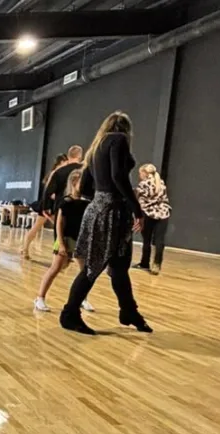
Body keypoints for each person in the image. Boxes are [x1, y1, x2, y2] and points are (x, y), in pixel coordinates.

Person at [59, 111, 152, 335]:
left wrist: (102, 199)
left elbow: (85, 187)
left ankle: (129, 311)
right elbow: (119, 176)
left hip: (99, 208)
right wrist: (136, 209)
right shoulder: (119, 140)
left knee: (119, 267)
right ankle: (69, 313)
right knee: (94, 266)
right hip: (112, 211)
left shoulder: (95, 147)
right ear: (126, 129)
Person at [34, 169, 94, 313]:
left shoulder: (86, 203)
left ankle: (82, 299)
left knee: (85, 272)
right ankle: (40, 298)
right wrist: (61, 243)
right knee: (55, 268)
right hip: (66, 239)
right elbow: (59, 223)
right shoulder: (65, 202)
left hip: (80, 240)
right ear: (73, 182)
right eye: (82, 182)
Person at [21, 153, 67, 259]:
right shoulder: (55, 173)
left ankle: (60, 253)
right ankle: (25, 249)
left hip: (55, 205)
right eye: (66, 161)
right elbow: (49, 191)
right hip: (48, 205)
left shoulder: (61, 173)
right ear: (61, 162)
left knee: (60, 228)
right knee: (38, 228)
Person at [133, 163, 171, 275]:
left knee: (147, 240)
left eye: (140, 173)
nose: (139, 175)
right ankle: (157, 264)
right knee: (159, 240)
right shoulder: (161, 183)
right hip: (163, 214)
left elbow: (139, 202)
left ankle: (144, 263)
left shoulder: (143, 185)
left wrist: (137, 216)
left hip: (148, 214)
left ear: (145, 173)